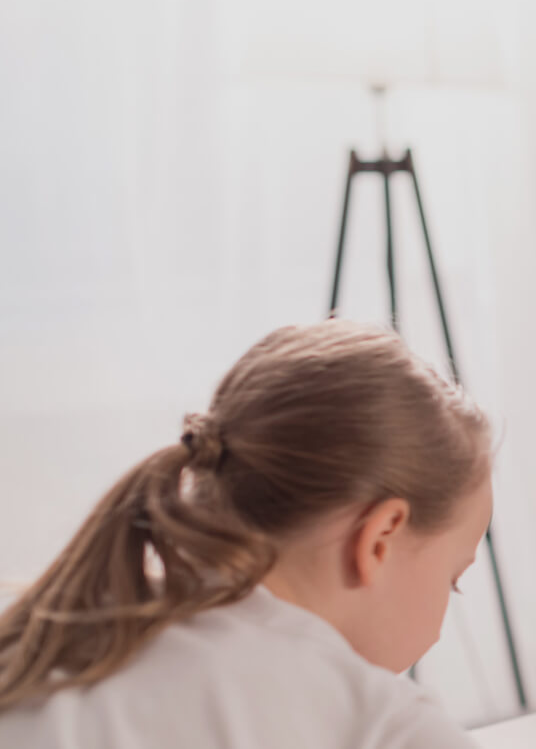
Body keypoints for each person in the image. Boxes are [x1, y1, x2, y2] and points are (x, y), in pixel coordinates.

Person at [0, 319, 494, 748]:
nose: (441, 624)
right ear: (379, 539)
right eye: (453, 578)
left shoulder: (51, 647)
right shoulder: (381, 729)